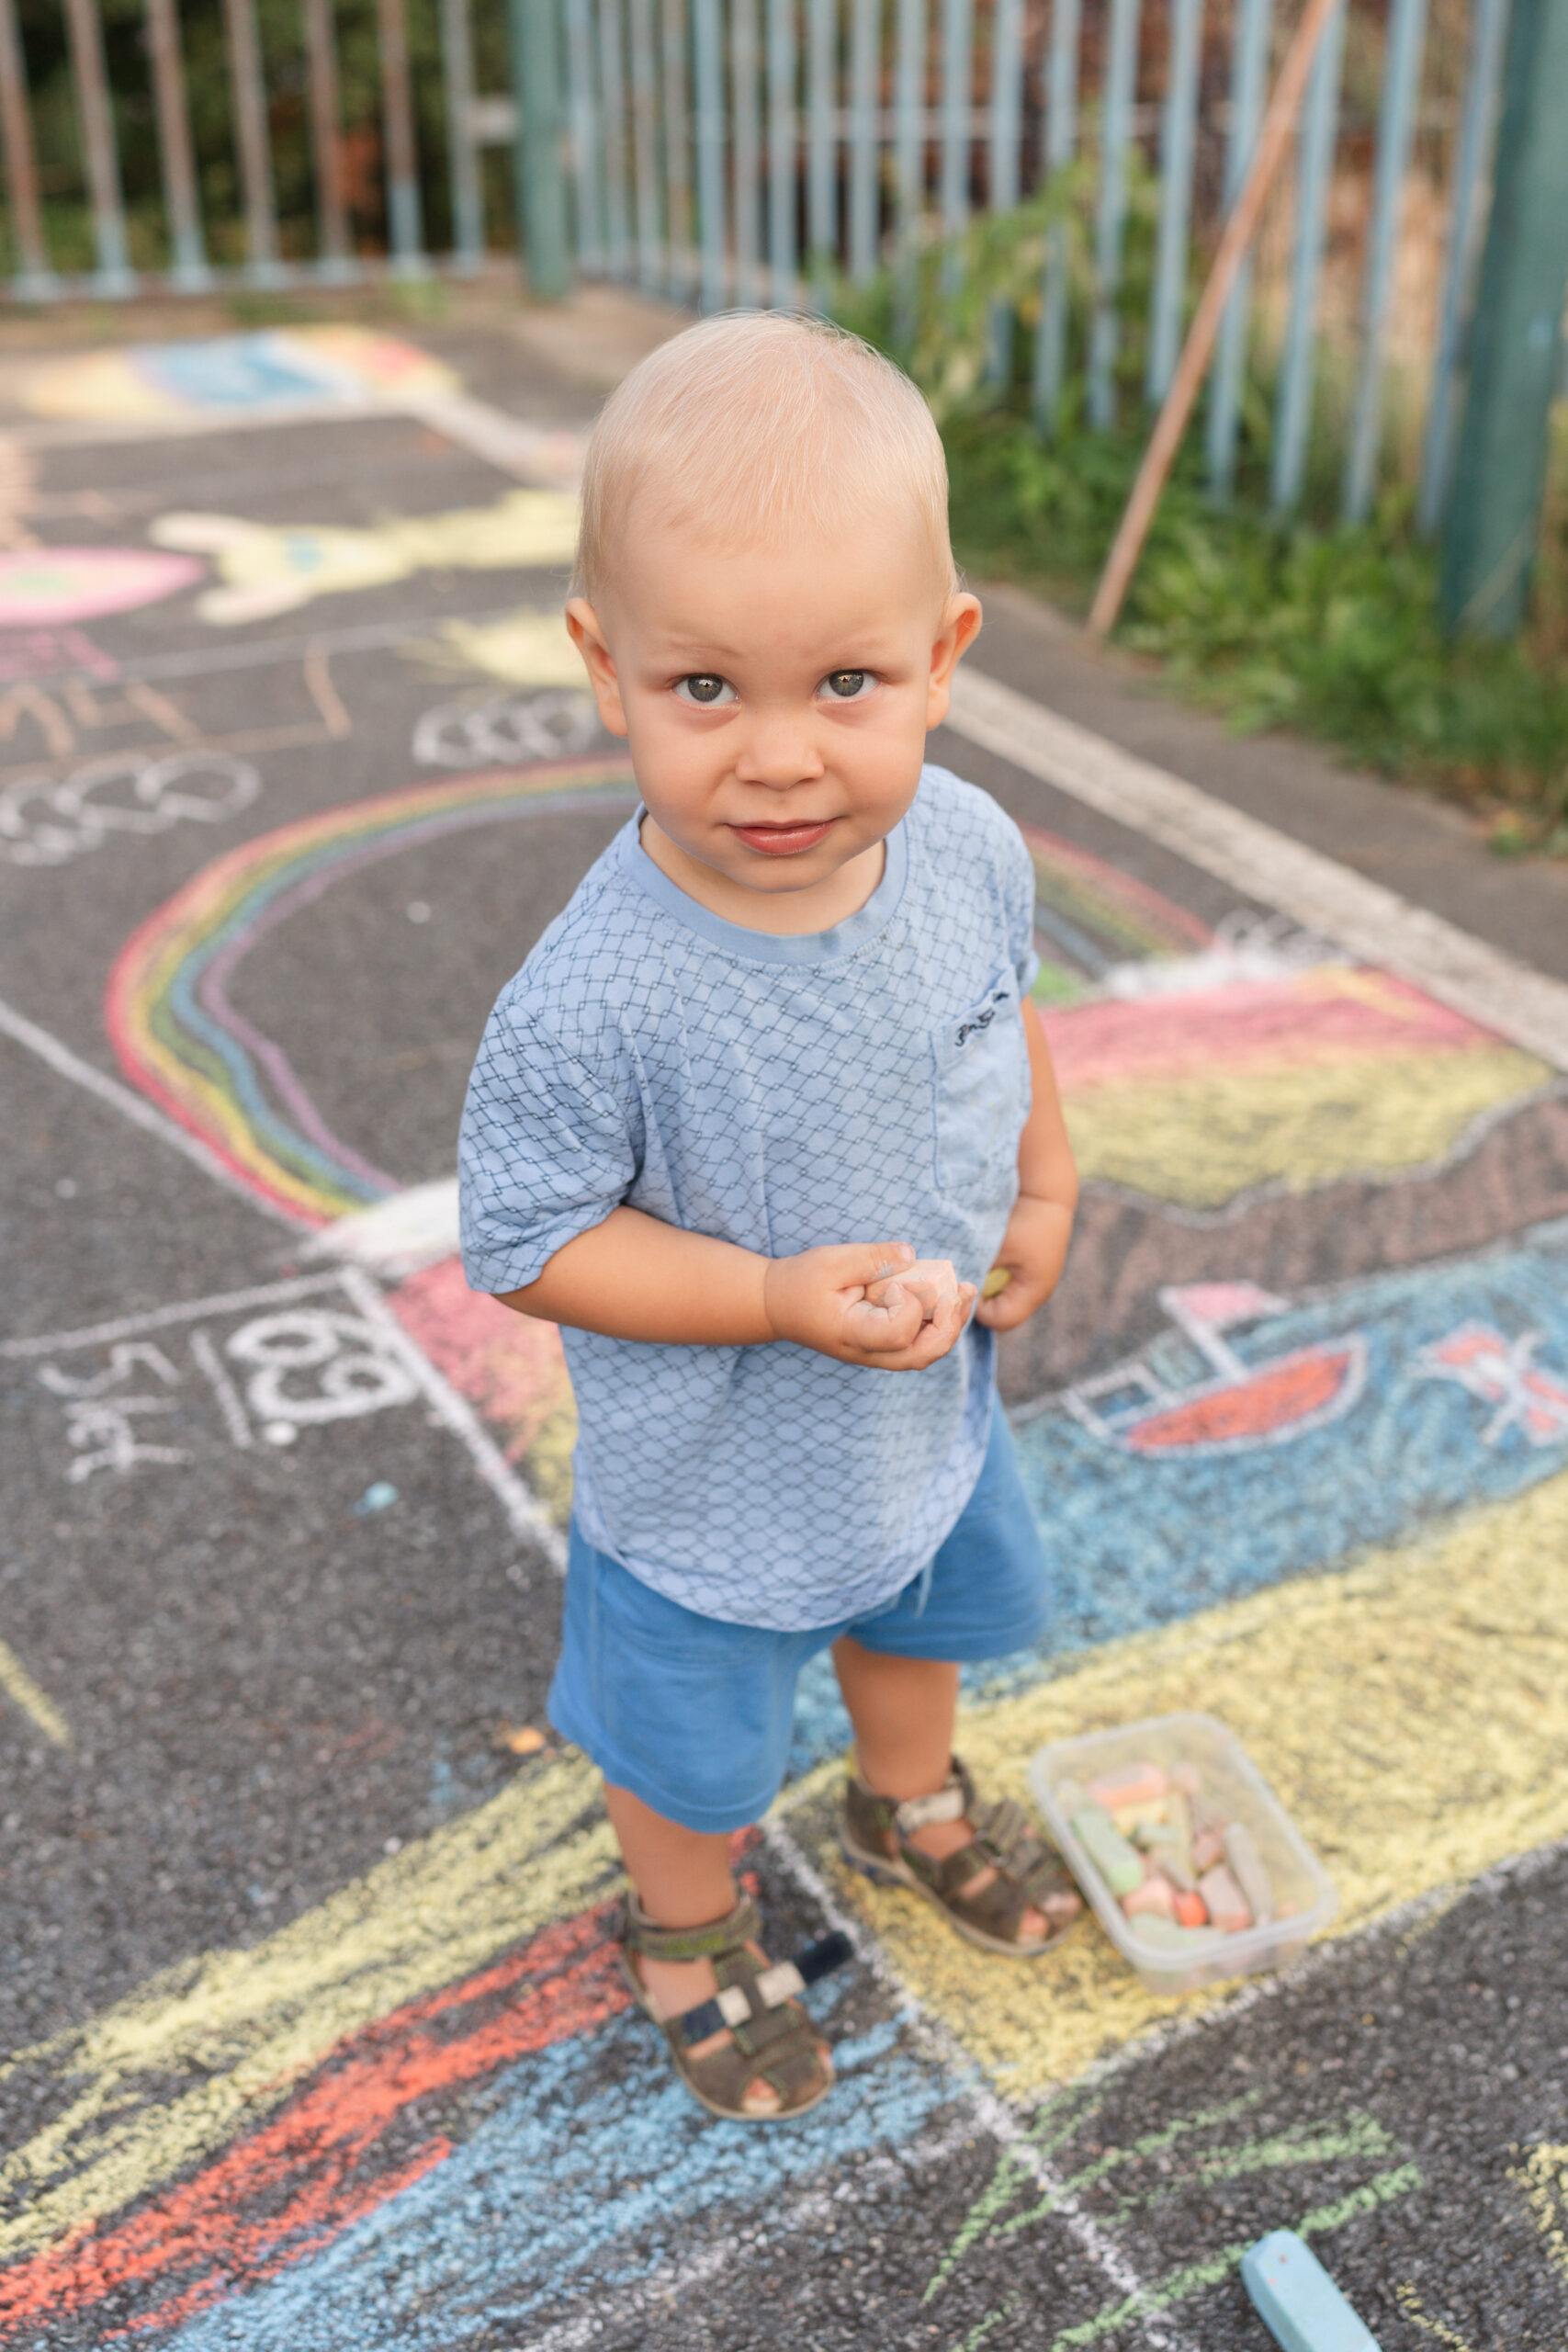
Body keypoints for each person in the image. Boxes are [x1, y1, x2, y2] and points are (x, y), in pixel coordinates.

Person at [459, 311, 1082, 2124]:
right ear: (607, 667)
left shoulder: (966, 846)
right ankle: (682, 1927)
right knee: (686, 1747)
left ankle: (907, 1801)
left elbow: (1002, 1012)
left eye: (846, 683)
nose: (782, 757)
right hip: (706, 1492)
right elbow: (531, 1241)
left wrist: (1045, 1179)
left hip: (921, 1412)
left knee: (920, 1619)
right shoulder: (595, 993)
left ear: (943, 656)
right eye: (706, 690)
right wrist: (768, 1296)